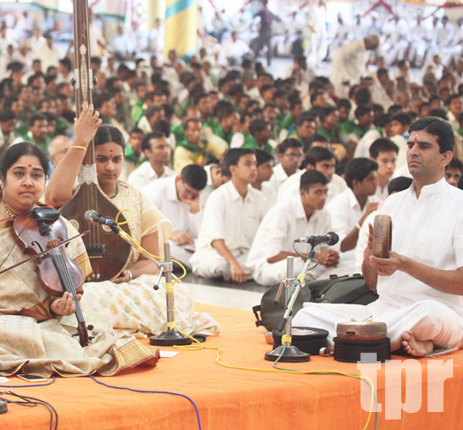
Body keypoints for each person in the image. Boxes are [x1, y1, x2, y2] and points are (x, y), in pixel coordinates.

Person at [0, 136, 159, 376]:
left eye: (36, 175)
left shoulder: (56, 224)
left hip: (41, 316)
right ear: (3, 178)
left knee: (94, 324)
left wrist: (59, 306)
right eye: (19, 174)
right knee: (2, 334)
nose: (28, 182)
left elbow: (70, 286)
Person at [294, 117, 463, 357]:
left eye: (424, 146)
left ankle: (355, 340)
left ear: (445, 157)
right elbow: (373, 283)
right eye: (411, 145)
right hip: (385, 311)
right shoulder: (392, 203)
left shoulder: (459, 206)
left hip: (441, 312)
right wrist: (369, 259)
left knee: (428, 314)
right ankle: (373, 340)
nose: (413, 152)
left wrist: (405, 265)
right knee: (305, 315)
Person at [44, 107, 219, 337]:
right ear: (89, 159)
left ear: (125, 159)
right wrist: (80, 141)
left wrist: (129, 275)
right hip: (81, 288)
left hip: (123, 287)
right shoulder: (73, 191)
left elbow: (153, 261)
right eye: (101, 159)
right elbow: (52, 198)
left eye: (117, 159)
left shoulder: (135, 197)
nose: (110, 167)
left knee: (176, 292)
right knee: (88, 298)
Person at [189, 148, 270, 283]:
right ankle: (239, 272)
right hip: (216, 255)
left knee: (265, 263)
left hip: (245, 256)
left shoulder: (260, 199)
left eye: (255, 164)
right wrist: (233, 263)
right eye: (248, 164)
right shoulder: (218, 197)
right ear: (233, 169)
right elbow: (216, 240)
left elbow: (265, 236)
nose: (254, 168)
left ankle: (240, 272)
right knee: (219, 266)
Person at [247, 170, 339, 286]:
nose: (323, 197)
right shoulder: (282, 211)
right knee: (297, 269)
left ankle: (316, 283)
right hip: (268, 267)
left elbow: (327, 248)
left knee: (344, 265)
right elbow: (272, 256)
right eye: (318, 192)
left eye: (325, 192)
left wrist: (330, 256)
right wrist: (314, 257)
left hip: (308, 265)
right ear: (303, 193)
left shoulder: (324, 214)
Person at [142, 164, 207, 266]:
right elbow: (143, 228)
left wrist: (195, 209)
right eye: (187, 191)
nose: (190, 196)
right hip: (161, 244)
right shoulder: (154, 193)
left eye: (194, 194)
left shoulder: (195, 197)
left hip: (186, 246)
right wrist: (170, 235)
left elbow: (198, 233)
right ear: (179, 179)